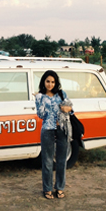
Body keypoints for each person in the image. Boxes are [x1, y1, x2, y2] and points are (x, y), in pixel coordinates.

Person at [35, 70, 73, 199]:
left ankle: (60, 188)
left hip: (62, 128)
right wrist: (40, 101)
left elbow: (71, 109)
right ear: (43, 82)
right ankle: (47, 188)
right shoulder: (40, 96)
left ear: (56, 83)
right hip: (47, 129)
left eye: (52, 82)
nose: (50, 84)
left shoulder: (62, 94)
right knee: (47, 161)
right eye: (47, 81)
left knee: (62, 160)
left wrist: (66, 109)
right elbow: (40, 115)